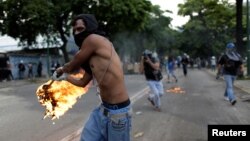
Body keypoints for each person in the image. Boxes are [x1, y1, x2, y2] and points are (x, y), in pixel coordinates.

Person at [52, 14, 131, 141]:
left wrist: (62, 70)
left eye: (80, 29)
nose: (77, 33)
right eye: (75, 30)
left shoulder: (93, 39)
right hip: (103, 109)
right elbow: (83, 82)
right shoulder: (91, 56)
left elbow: (73, 64)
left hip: (118, 112)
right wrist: (65, 78)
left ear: (90, 27)